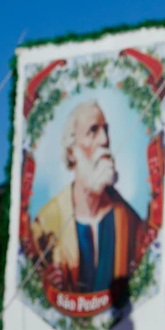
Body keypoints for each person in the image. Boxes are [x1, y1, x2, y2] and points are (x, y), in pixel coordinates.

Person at [32, 99, 143, 295]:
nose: (104, 140)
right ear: (71, 152)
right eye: (93, 131)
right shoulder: (45, 223)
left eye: (106, 130)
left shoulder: (131, 220)